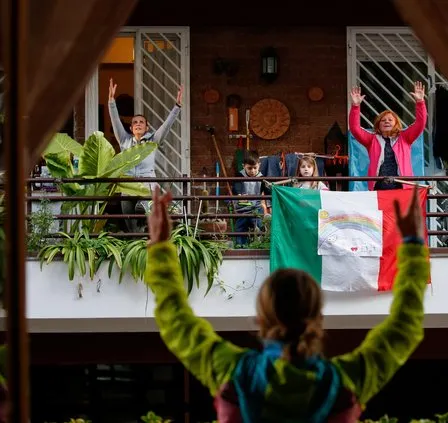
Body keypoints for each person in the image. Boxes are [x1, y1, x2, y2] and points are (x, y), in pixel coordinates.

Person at [143, 184, 430, 423]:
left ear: (260, 318)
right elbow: (404, 326)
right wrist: (414, 245)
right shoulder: (345, 381)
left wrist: (160, 246)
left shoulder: (233, 372)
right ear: (317, 317)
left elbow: (174, 317)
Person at [107, 78, 183, 232]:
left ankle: (146, 233)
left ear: (147, 127)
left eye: (142, 122)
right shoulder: (124, 141)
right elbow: (115, 122)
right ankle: (137, 246)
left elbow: (166, 126)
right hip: (128, 188)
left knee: (143, 213)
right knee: (131, 227)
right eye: (135, 122)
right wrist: (111, 102)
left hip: (147, 188)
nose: (138, 124)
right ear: (131, 127)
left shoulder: (152, 141)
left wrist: (177, 106)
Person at [349, 81, 427, 191]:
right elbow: (355, 129)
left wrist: (420, 102)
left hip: (402, 187)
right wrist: (355, 106)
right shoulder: (372, 139)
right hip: (379, 187)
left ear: (396, 123)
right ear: (378, 125)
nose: (387, 122)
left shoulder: (405, 137)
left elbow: (420, 123)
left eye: (390, 120)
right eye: (383, 120)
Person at [232, 150, 270, 246]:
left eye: (255, 168)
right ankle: (240, 245)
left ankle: (259, 244)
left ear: (259, 165)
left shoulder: (262, 178)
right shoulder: (240, 175)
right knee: (240, 227)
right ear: (243, 166)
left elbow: (267, 191)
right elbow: (236, 186)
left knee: (260, 225)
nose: (252, 171)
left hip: (256, 208)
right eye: (249, 168)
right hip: (242, 208)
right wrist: (239, 194)